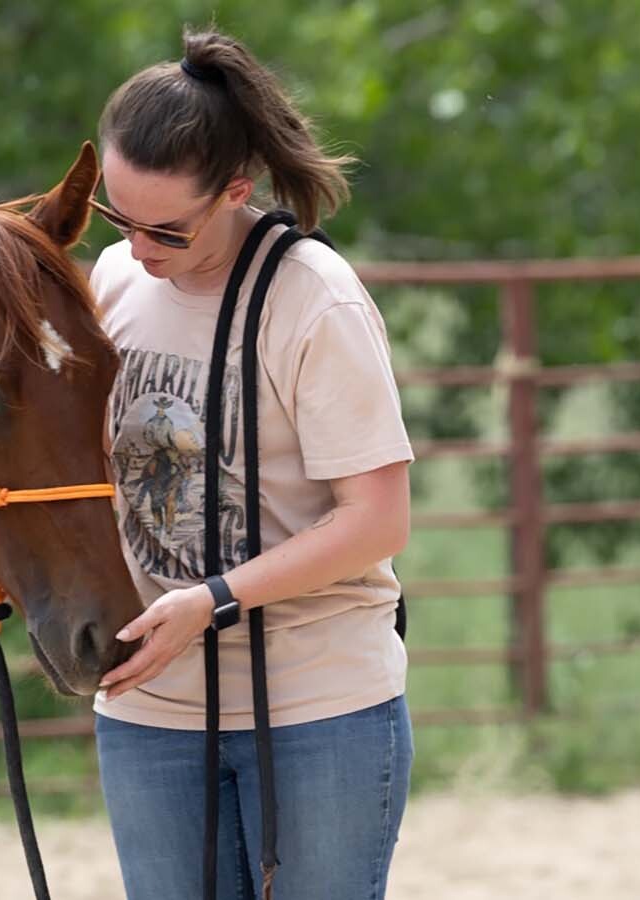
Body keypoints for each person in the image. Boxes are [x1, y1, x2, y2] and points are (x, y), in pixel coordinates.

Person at [88, 25, 415, 900]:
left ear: (237, 191)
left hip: (318, 710)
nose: (136, 246)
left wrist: (213, 600)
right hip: (149, 714)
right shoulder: (114, 280)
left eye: (165, 227)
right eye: (113, 215)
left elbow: (379, 520)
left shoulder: (316, 301)